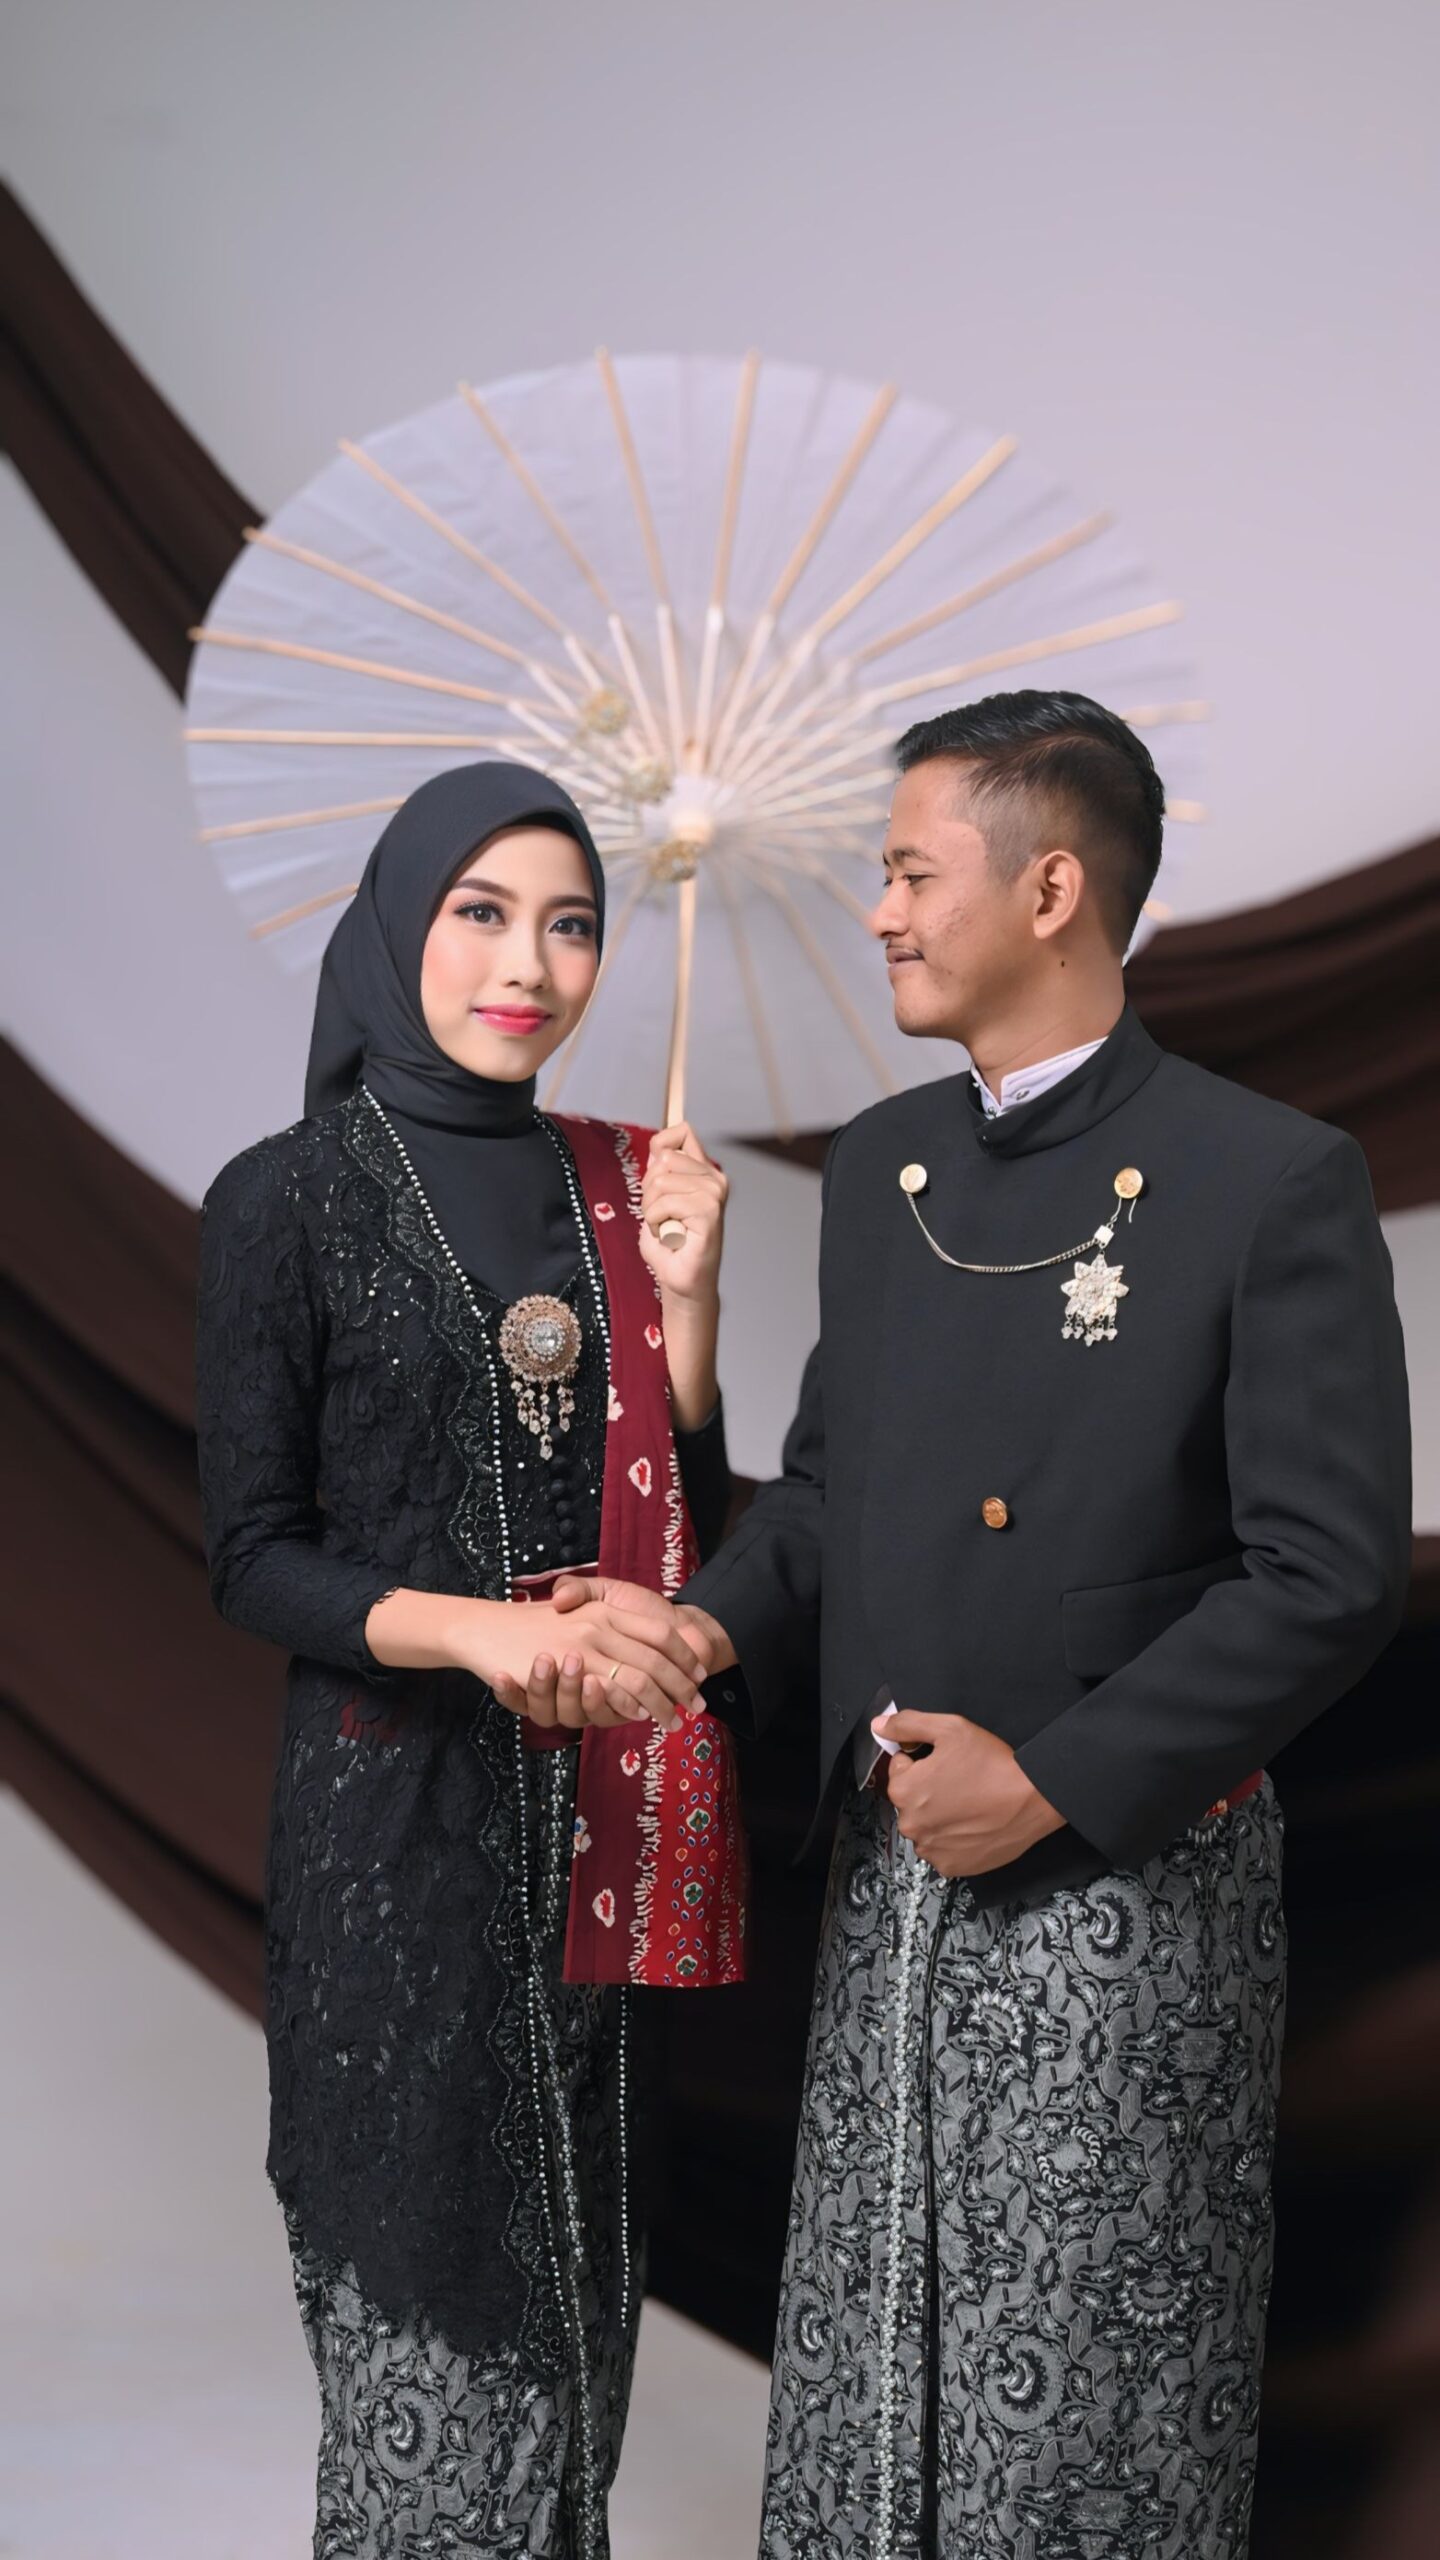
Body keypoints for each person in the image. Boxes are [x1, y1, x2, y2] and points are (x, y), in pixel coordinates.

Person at [544, 691, 1412, 2558]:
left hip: (1126, 1892)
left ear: (1051, 890)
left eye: (909, 872)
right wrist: (694, 1633)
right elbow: (829, 1494)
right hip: (897, 1872)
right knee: (871, 2383)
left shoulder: (1267, 1177)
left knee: (1082, 2397)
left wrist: (1055, 1780)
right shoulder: (886, 1167)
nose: (878, 912)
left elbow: (1328, 1571)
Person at [195, 760, 742, 2560]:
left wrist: (690, 1305)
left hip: (599, 1840)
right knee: (431, 2353)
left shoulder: (627, 1188)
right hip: (394, 1848)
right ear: (397, 926)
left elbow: (694, 1530)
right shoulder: (285, 1198)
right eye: (483, 914)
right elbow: (253, 1556)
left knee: (580, 2348)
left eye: (571, 925)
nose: (530, 965)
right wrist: (480, 1630)